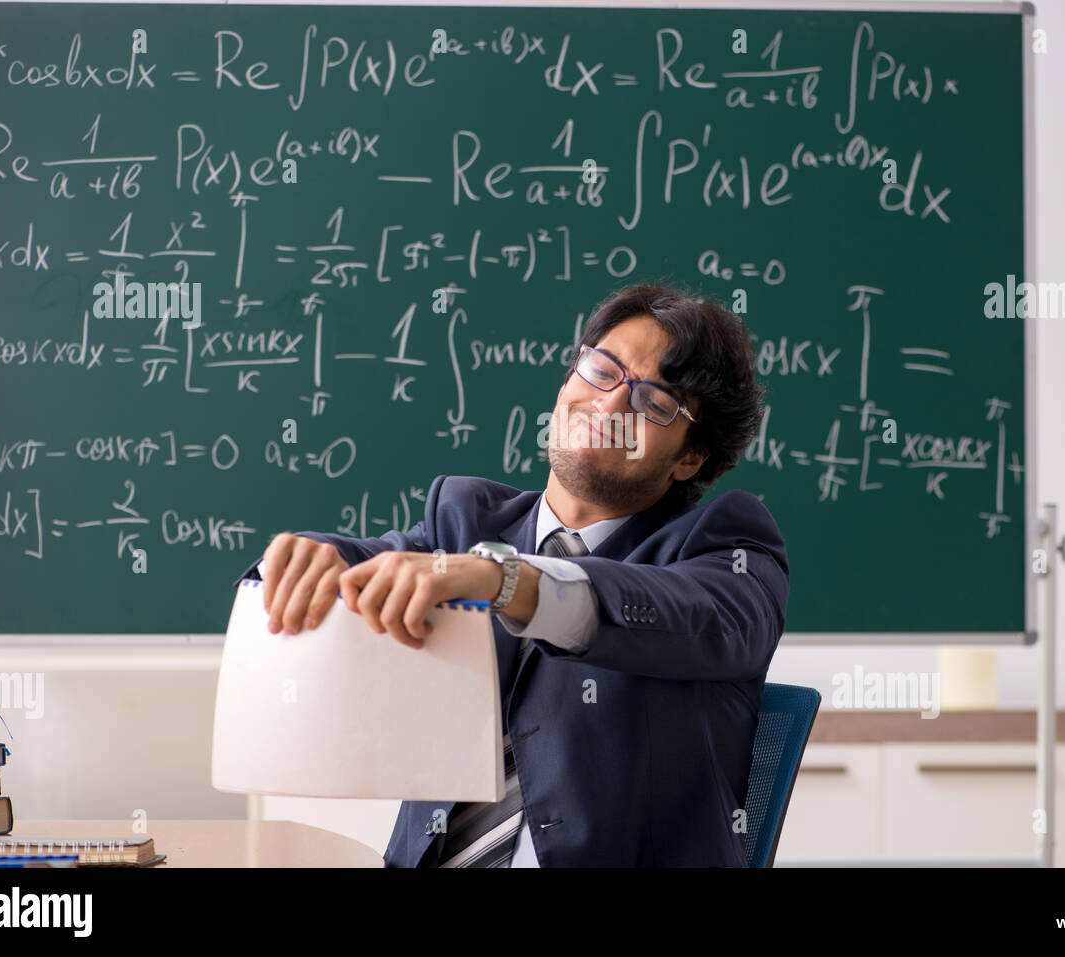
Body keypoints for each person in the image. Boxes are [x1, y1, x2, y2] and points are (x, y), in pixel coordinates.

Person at [236, 282, 789, 866]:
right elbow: (358, 565)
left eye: (654, 404)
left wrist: (504, 579)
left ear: (690, 457)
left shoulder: (724, 545)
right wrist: (301, 560)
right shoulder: (463, 521)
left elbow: (702, 617)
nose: (610, 406)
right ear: (568, 381)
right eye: (602, 369)